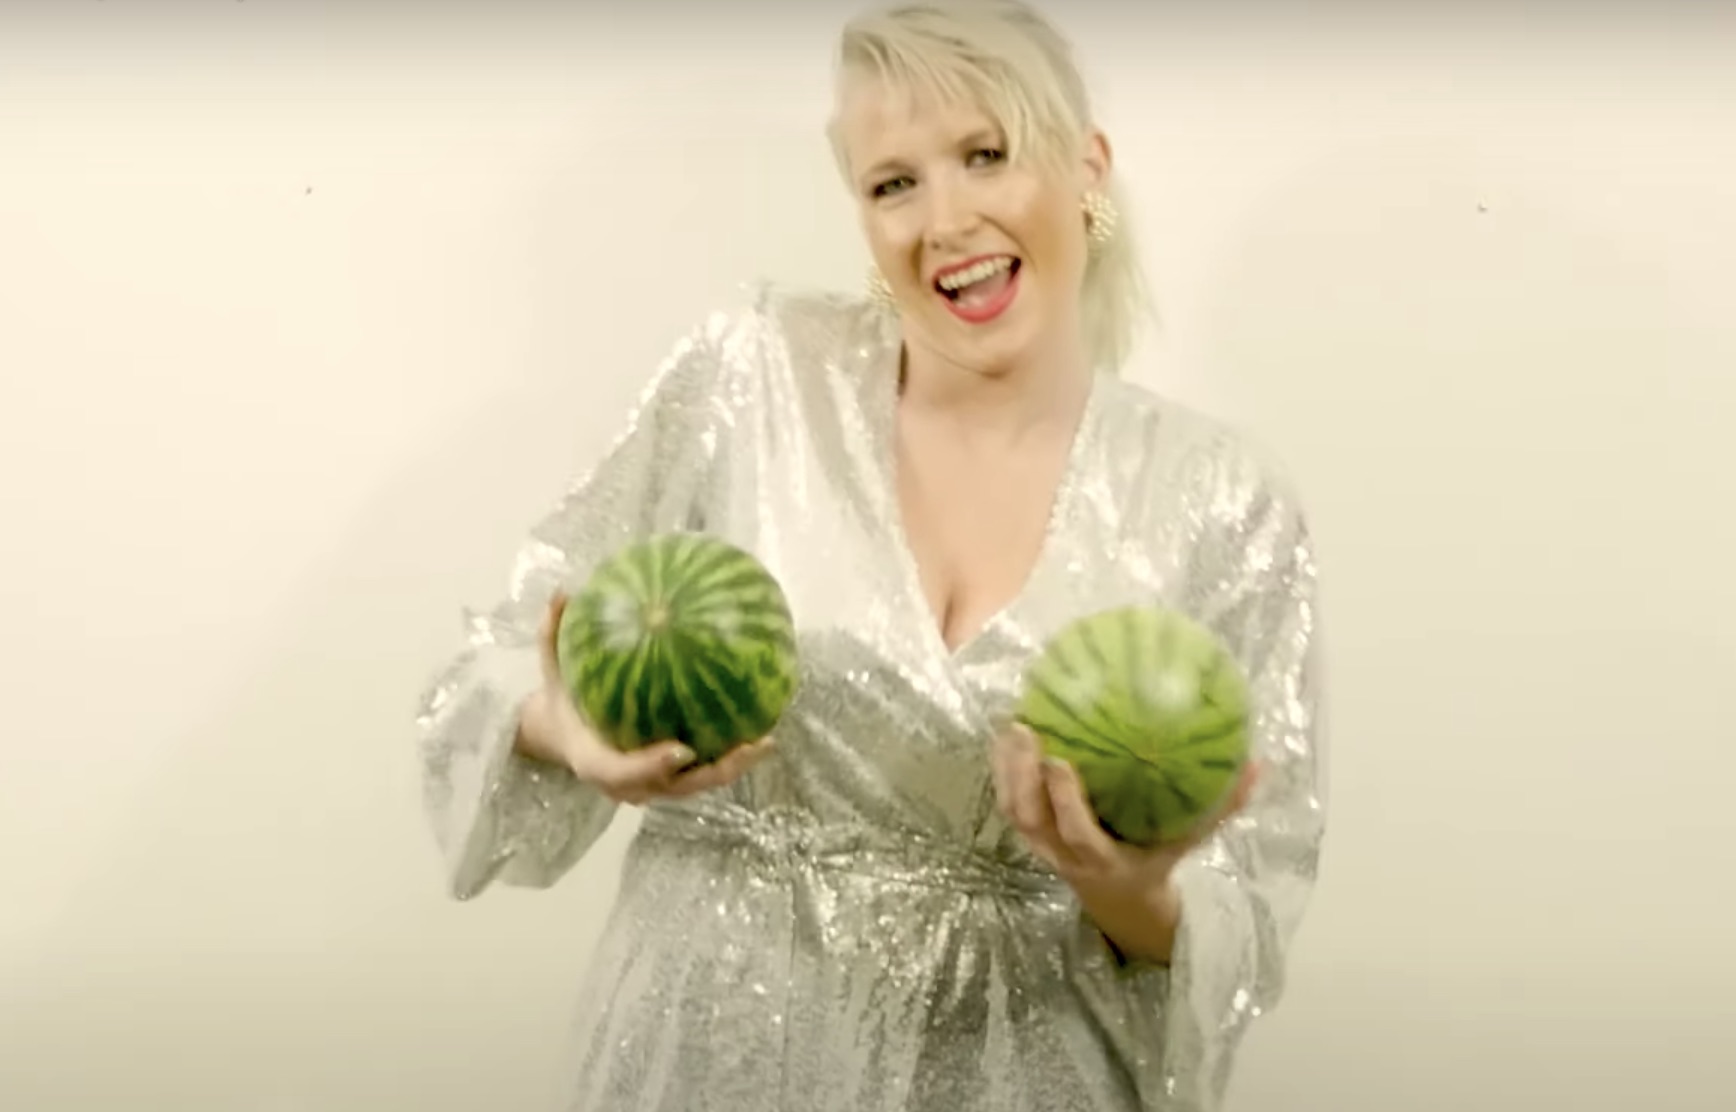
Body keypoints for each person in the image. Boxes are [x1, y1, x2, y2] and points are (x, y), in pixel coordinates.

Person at [413, 1, 1326, 1109]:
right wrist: (567, 729)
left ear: (1086, 165)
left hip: (1022, 1074)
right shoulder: (754, 376)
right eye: (893, 182)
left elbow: (1242, 909)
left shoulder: (1222, 497)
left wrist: (1123, 886)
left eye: (985, 155)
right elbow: (496, 661)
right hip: (705, 1046)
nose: (944, 221)